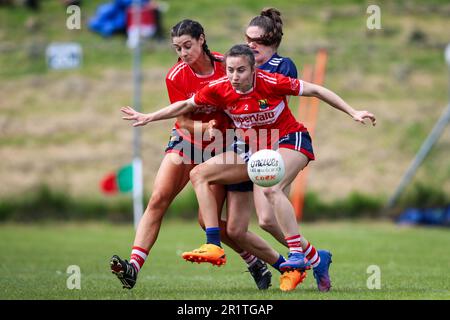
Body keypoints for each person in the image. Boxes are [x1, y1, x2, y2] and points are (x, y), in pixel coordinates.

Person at [121, 44, 376, 292]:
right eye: (230, 70)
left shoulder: (271, 82)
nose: (234, 76)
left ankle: (297, 254)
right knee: (201, 175)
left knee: (271, 188)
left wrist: (352, 111)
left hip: (288, 139)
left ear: (253, 69)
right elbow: (185, 106)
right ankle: (214, 244)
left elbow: (316, 90)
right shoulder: (220, 88)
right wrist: (149, 116)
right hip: (252, 151)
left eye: (241, 70)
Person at [111, 20, 287, 291]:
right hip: (187, 141)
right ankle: (133, 267)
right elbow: (182, 121)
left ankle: (255, 262)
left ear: (202, 39)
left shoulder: (225, 65)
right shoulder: (176, 76)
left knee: (208, 221)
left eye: (187, 46)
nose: (183, 53)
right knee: (158, 198)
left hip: (223, 146)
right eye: (177, 48)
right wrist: (202, 127)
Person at [243, 8, 334, 291]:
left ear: (270, 41)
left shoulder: (282, 65)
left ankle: (297, 254)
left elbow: (266, 101)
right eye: (247, 39)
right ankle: (317, 258)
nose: (250, 44)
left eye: (255, 40)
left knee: (272, 191)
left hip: (283, 141)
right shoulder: (241, 66)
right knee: (267, 221)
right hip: (259, 150)